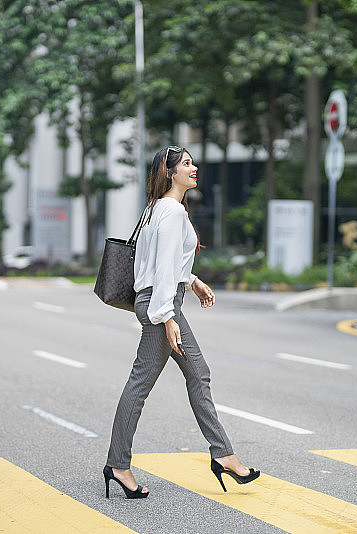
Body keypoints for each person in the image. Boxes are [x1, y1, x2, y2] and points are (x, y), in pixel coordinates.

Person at [103, 145, 260, 499]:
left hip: (159, 301)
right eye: (186, 164)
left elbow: (166, 261)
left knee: (195, 373)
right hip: (161, 306)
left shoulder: (156, 209)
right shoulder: (172, 211)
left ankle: (224, 455)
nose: (194, 167)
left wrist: (192, 280)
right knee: (142, 384)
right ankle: (119, 464)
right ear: (169, 172)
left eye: (192, 162)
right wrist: (168, 316)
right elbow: (160, 270)